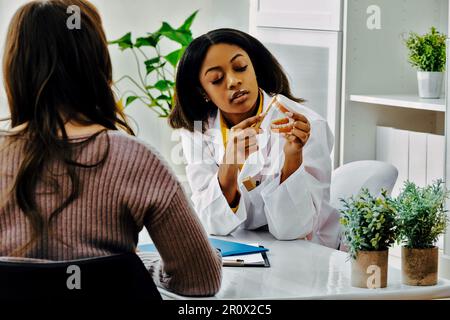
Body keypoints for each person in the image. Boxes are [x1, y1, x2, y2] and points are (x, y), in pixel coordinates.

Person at [0, 0, 221, 297]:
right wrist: (139, 267)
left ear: (14, 68)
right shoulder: (137, 160)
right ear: (97, 63)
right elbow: (201, 280)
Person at [169, 28, 340, 249]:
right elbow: (211, 223)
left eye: (240, 68)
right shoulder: (197, 130)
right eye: (216, 79)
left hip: (307, 251)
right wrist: (230, 164)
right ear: (203, 92)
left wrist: (292, 157)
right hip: (242, 248)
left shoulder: (305, 126)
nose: (233, 81)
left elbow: (294, 230)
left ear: (255, 68)